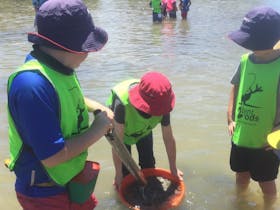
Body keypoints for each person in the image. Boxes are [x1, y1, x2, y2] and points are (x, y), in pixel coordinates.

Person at [6, 0, 113, 209]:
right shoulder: (31, 85)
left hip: (70, 177)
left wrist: (96, 107)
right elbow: (52, 157)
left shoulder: (60, 67)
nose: (89, 53)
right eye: (87, 47)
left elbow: (65, 97)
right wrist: (98, 129)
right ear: (69, 47)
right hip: (45, 189)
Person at [227, 6, 280, 205]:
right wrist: (230, 116)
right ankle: (239, 203)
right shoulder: (245, 61)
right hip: (241, 135)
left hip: (267, 143)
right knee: (240, 175)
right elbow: (235, 87)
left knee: (267, 183)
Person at [106, 71, 184, 190]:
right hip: (122, 134)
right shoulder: (122, 105)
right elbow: (117, 144)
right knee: (126, 172)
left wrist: (173, 168)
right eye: (154, 110)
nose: (158, 113)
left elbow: (168, 138)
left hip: (144, 131)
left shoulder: (163, 103)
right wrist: (118, 174)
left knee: (148, 165)